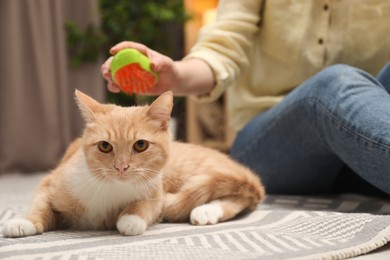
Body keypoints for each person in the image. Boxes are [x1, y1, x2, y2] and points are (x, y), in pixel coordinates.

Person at [101, 0, 390, 196]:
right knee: (332, 85)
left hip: (365, 136)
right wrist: (175, 75)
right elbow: (223, 46)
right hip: (268, 142)